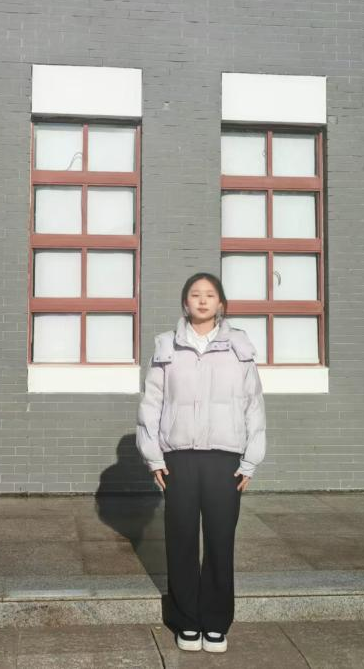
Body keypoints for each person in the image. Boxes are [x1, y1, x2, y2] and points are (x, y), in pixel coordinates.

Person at [135, 272, 267, 654]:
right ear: (185, 302)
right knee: (180, 539)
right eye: (195, 294)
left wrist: (250, 460)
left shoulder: (239, 347)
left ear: (221, 303)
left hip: (226, 459)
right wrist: (153, 456)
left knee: (220, 540)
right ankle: (187, 621)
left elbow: (254, 405)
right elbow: (151, 404)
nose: (203, 300)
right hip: (179, 458)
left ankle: (216, 622)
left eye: (210, 295)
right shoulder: (167, 347)